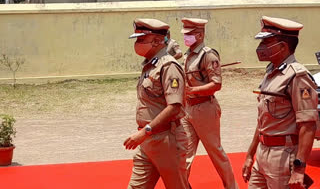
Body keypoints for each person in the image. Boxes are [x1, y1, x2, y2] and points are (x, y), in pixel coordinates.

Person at [242, 16, 318, 189]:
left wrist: (299, 169)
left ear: (283, 46)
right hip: (262, 153)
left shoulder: (297, 76)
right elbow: (263, 120)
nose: (260, 48)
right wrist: (249, 155)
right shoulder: (271, 72)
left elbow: (308, 125)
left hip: (283, 156)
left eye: (266, 43)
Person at [124, 18, 189, 189]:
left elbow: (175, 107)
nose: (137, 44)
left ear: (158, 41)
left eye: (141, 40)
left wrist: (145, 131)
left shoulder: (169, 66)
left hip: (166, 139)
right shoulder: (150, 65)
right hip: (148, 141)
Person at [180, 17, 238, 189]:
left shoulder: (208, 55)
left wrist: (193, 91)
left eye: (189, 34)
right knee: (184, 153)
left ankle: (231, 186)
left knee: (215, 152)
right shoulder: (188, 55)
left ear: (199, 34)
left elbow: (216, 84)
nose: (186, 37)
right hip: (187, 109)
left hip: (205, 108)